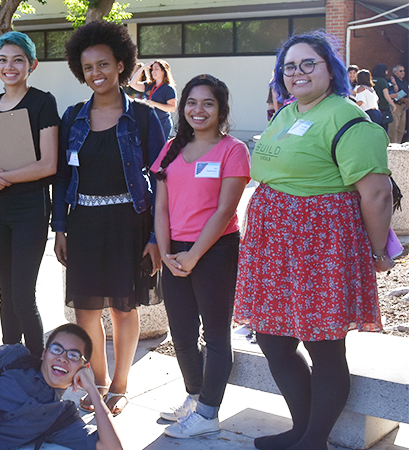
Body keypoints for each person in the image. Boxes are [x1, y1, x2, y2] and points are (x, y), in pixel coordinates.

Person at [235, 32, 394, 450]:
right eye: (290, 66)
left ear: (331, 70)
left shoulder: (347, 117)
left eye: (309, 64)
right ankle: (302, 430)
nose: (298, 72)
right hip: (276, 246)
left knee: (323, 343)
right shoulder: (286, 113)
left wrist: (378, 254)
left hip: (319, 245)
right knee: (273, 337)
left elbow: (376, 194)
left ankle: (314, 440)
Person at [54, 21, 164, 417]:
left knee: (123, 307)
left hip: (128, 223)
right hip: (83, 222)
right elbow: (62, 176)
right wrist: (60, 227)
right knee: (85, 311)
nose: (96, 74)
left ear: (121, 65)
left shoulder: (146, 118)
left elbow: (160, 180)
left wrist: (154, 236)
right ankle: (97, 382)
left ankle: (121, 384)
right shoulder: (72, 118)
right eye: (88, 68)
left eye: (103, 64)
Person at [151, 75, 250, 438]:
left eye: (208, 103)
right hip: (175, 250)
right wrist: (166, 253)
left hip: (216, 251)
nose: (198, 109)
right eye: (191, 102)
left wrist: (194, 255)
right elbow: (160, 208)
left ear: (221, 108)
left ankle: (209, 413)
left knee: (216, 335)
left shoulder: (233, 150)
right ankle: (194, 398)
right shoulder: (172, 147)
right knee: (181, 333)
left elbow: (225, 210)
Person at [0, 31, 59, 357]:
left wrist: (1, 177)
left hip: (30, 209)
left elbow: (48, 164)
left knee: (23, 294)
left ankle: (38, 366)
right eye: (3, 60)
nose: (10, 67)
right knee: (5, 293)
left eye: (18, 60)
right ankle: (10, 362)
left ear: (32, 64)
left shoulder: (43, 102)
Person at [129, 59, 177, 141]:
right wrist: (143, 68)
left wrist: (154, 104)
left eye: (156, 69)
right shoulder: (149, 85)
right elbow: (132, 84)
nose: (153, 71)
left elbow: (172, 108)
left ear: (163, 71)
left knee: (159, 150)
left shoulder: (168, 88)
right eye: (152, 69)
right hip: (149, 123)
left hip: (162, 124)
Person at [372, 63, 396, 133]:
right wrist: (393, 105)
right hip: (383, 107)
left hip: (374, 108)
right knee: (384, 129)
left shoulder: (371, 80)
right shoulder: (383, 81)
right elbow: (386, 95)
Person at [389, 64, 408, 143]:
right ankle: (393, 146)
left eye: (403, 71)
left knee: (401, 129)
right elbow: (393, 95)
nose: (403, 73)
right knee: (394, 129)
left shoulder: (404, 81)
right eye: (400, 71)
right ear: (395, 72)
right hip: (395, 106)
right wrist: (404, 100)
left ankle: (399, 146)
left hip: (403, 107)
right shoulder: (392, 81)